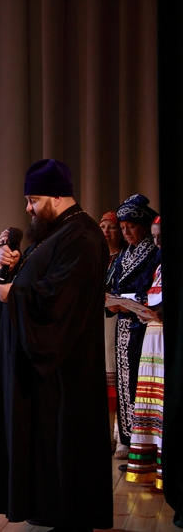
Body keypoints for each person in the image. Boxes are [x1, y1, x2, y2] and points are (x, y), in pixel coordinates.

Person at [0, 159, 112, 528]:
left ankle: (69, 517)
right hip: (40, 367)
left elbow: (61, 297)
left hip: (62, 370)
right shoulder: (58, 233)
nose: (28, 208)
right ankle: (46, 509)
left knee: (63, 442)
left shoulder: (82, 236)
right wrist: (12, 269)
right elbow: (40, 280)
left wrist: (15, 294)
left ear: (57, 197)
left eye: (33, 200)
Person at [110, 194, 161, 460]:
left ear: (144, 226)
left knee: (140, 382)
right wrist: (112, 303)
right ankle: (126, 437)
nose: (126, 232)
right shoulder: (123, 255)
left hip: (144, 327)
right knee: (123, 381)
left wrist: (133, 301)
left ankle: (142, 441)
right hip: (123, 325)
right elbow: (114, 287)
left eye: (130, 226)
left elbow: (155, 290)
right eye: (122, 227)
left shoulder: (155, 253)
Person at [125, 216, 164, 492]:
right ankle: (148, 467)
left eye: (161, 236)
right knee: (149, 400)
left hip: (164, 339)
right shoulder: (158, 265)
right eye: (155, 236)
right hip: (151, 336)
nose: (157, 242)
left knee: (161, 403)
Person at [101, 211, 125, 450]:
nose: (106, 232)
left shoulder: (124, 257)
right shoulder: (95, 257)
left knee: (115, 372)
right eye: (103, 227)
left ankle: (120, 434)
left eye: (112, 227)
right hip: (95, 319)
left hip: (117, 319)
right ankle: (104, 435)